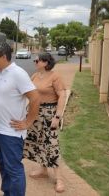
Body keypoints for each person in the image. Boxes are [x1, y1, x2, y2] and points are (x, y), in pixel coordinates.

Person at [0, 42, 40, 196]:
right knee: (3, 165)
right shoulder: (0, 73)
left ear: (4, 56)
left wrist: (28, 122)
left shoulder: (18, 73)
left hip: (11, 133)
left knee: (13, 169)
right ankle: (7, 193)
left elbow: (35, 98)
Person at [23, 52, 67, 193]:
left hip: (49, 113)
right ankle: (43, 169)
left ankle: (59, 178)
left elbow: (62, 95)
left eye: (37, 60)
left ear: (46, 63)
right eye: (35, 60)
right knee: (38, 142)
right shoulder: (35, 76)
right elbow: (27, 91)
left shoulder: (55, 76)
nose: (35, 62)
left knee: (51, 144)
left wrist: (57, 117)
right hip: (35, 112)